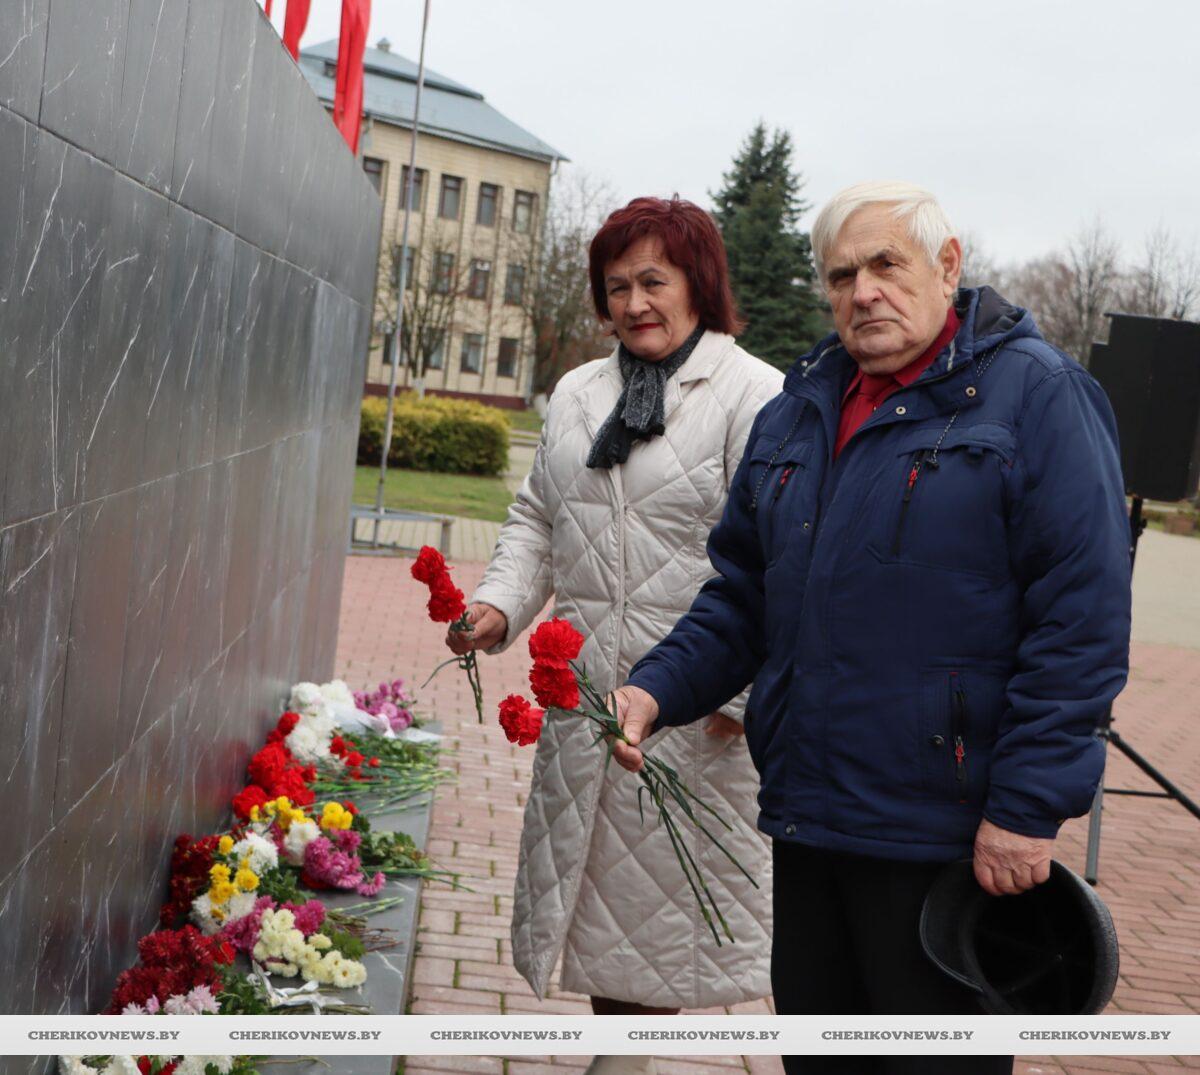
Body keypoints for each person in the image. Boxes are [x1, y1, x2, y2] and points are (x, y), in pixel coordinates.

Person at [613, 182, 1132, 1075]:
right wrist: (655, 685)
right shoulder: (800, 408)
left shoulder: (1038, 397)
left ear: (948, 265)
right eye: (842, 274)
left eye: (887, 264)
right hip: (812, 817)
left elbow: (1081, 618)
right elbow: (742, 593)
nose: (864, 292)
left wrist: (1027, 807)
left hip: (949, 840)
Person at [445, 197, 782, 1069]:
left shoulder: (756, 395)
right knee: (595, 908)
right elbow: (534, 521)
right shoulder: (579, 392)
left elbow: (778, 560)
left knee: (659, 910)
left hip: (690, 710)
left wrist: (734, 696)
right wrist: (497, 606)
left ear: (698, 284)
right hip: (587, 698)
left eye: (654, 282)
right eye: (618, 285)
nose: (635, 303)